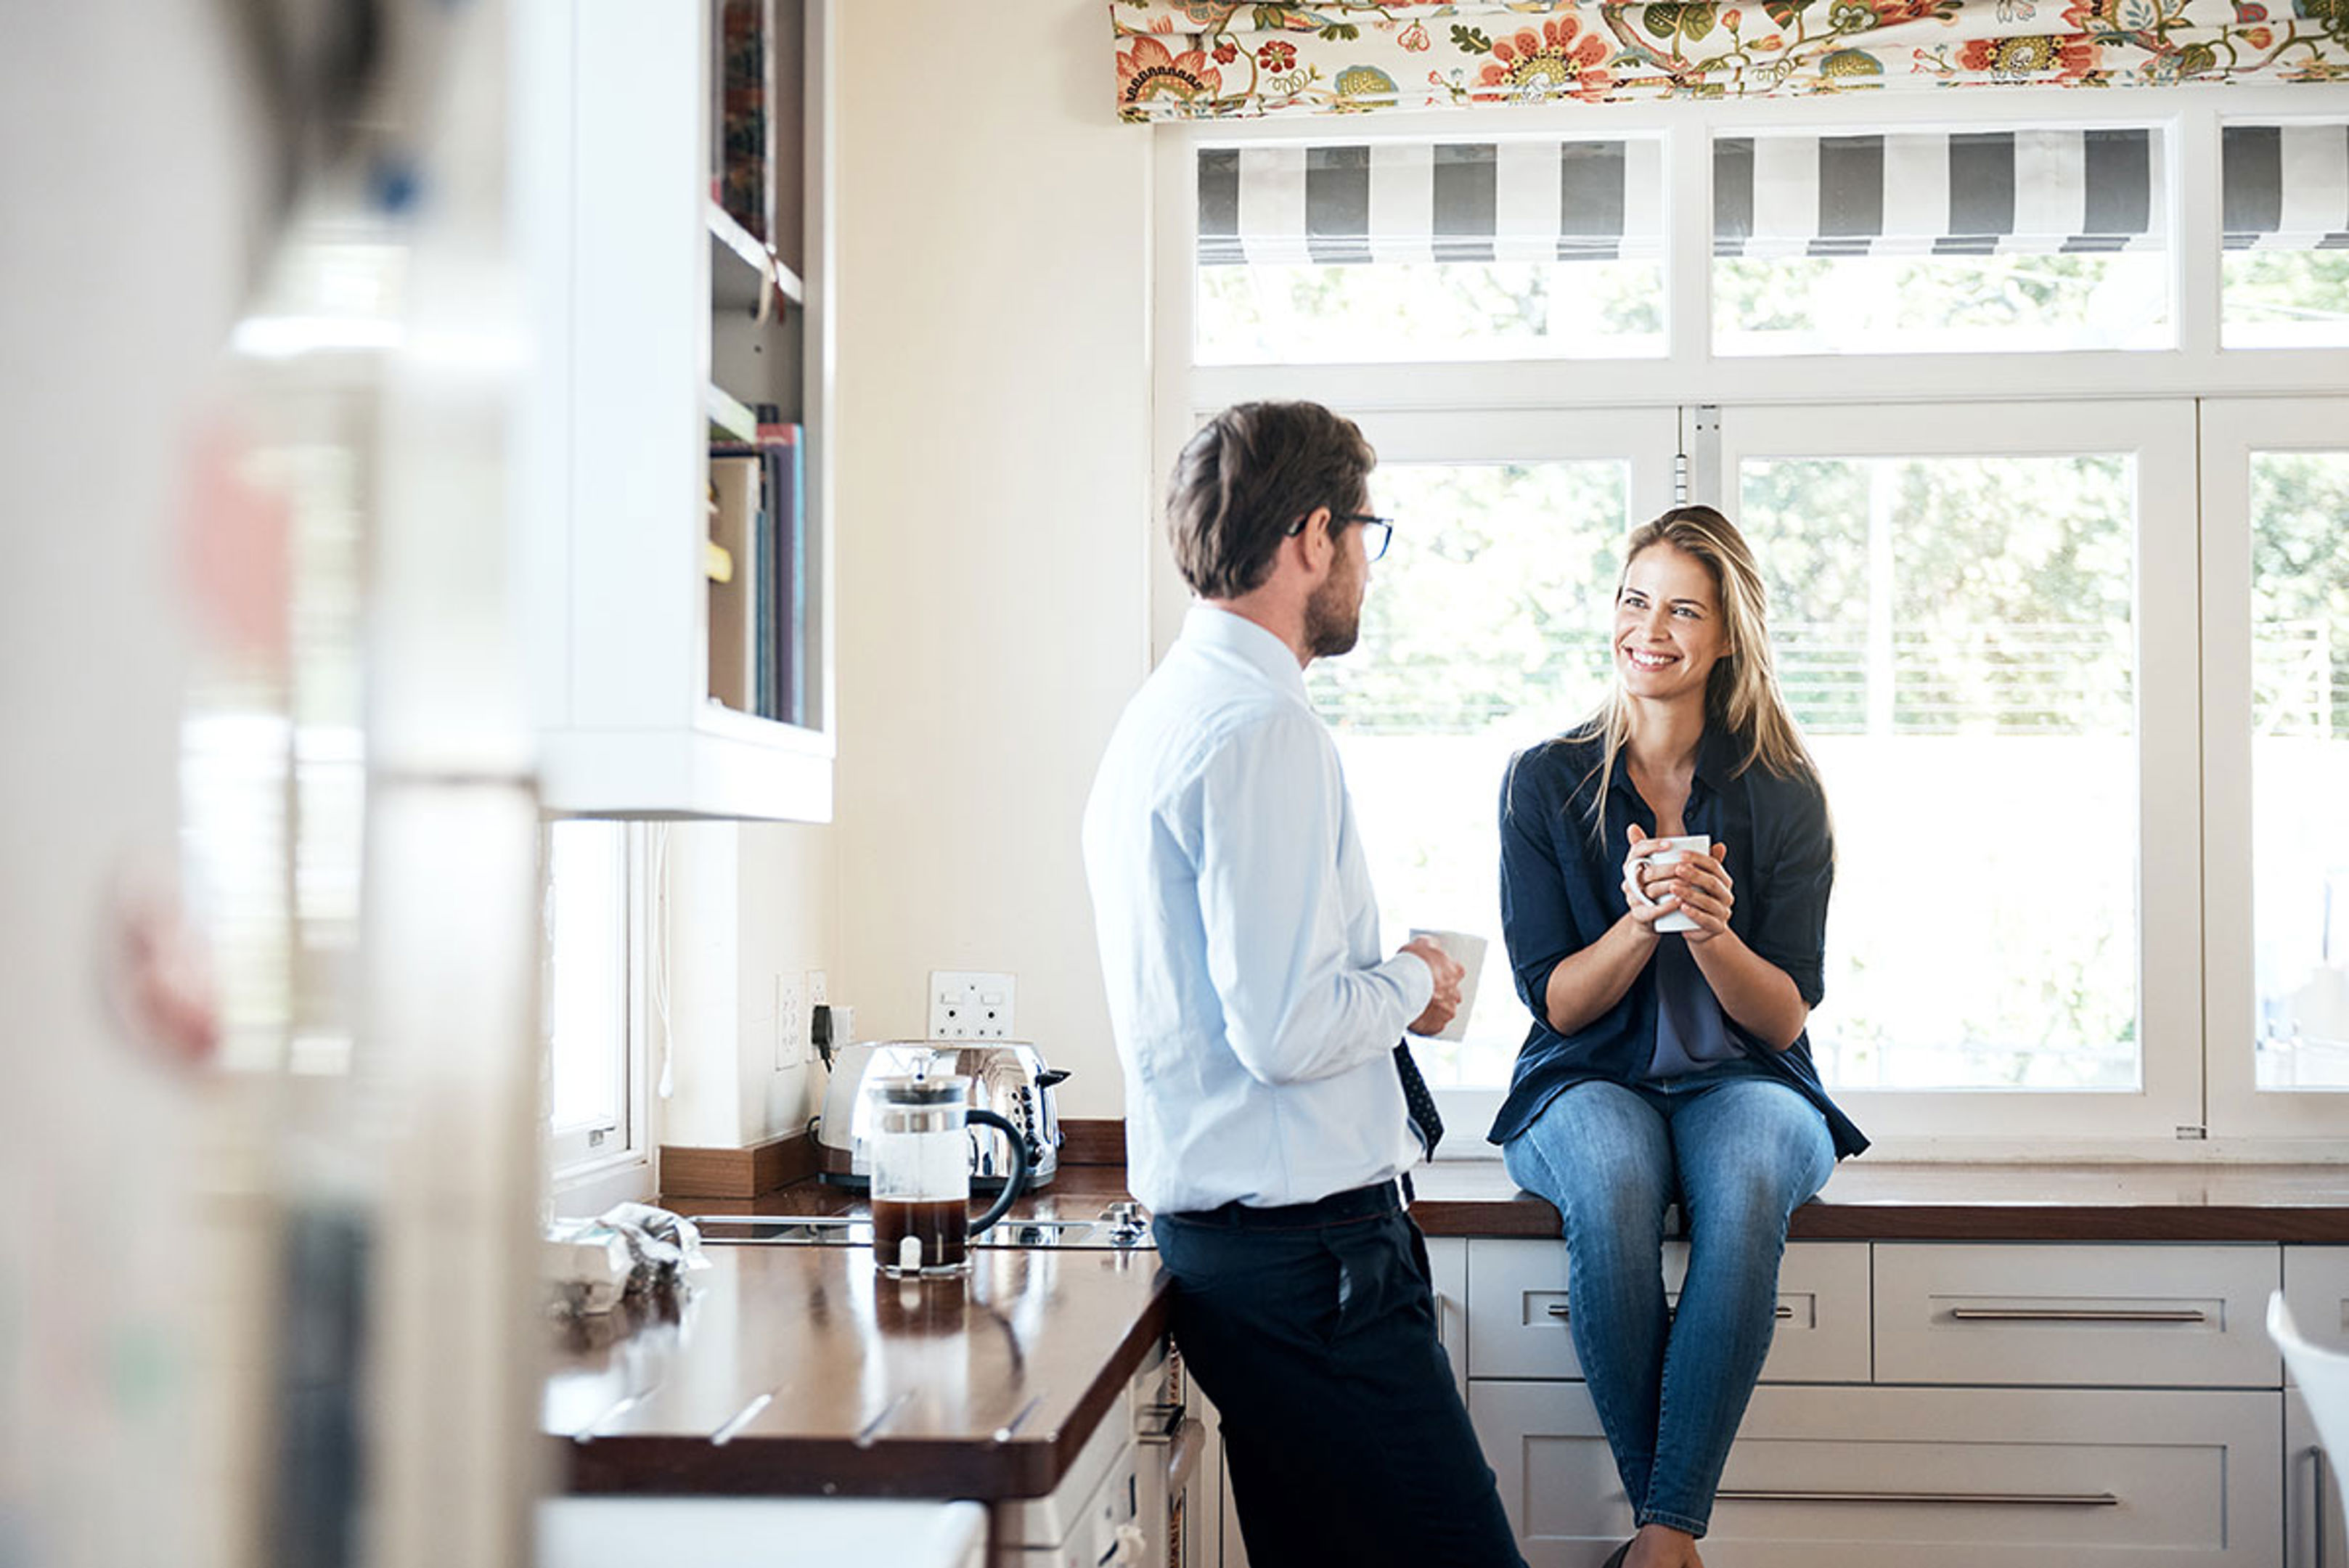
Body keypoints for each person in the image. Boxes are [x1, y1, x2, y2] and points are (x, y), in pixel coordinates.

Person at [1082, 400, 1526, 1568]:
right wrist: (1410, 982)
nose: (1367, 573)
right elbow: (1284, 1030)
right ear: (1314, 535)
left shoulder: (1163, 713)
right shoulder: (1262, 729)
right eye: (1366, 537)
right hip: (1311, 1259)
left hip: (1244, 1252)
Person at [1492, 505, 1868, 1568]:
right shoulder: (1545, 780)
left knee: (1749, 1183)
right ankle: (1674, 1540)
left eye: (1682, 609)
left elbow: (1787, 1012)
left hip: (1745, 1079)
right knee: (1611, 1182)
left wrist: (1707, 929)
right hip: (1586, 1078)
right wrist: (1637, 921)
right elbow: (1556, 1004)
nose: (1649, 628)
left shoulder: (1785, 792)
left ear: (1724, 637)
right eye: (1634, 599)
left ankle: (1659, 1539)